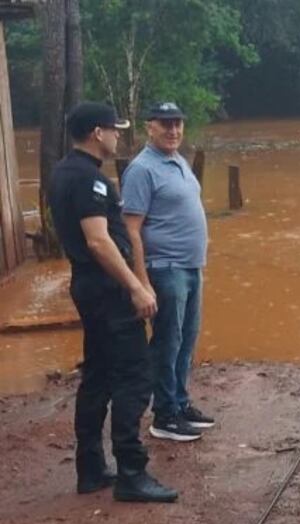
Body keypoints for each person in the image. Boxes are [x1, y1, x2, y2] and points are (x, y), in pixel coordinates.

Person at [49, 102, 178, 502]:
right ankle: (132, 474)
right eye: (114, 129)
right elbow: (99, 241)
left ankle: (90, 469)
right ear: (96, 133)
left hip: (89, 287)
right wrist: (136, 287)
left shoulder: (63, 172)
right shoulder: (90, 179)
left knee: (99, 374)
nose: (118, 135)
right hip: (108, 291)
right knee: (134, 377)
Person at [122, 102, 214, 442]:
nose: (173, 130)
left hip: (190, 267)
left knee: (186, 339)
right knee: (167, 342)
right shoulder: (141, 169)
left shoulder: (178, 161)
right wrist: (141, 281)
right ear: (150, 127)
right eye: (166, 124)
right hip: (165, 269)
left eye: (177, 124)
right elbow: (131, 229)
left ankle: (179, 401)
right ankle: (164, 415)